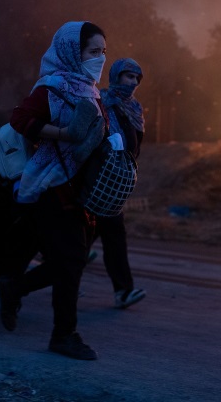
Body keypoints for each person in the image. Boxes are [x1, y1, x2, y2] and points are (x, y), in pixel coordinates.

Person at [0, 21, 107, 361]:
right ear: (73, 52)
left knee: (69, 261)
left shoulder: (91, 91)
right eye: (93, 51)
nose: (100, 58)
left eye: (103, 51)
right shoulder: (53, 86)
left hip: (82, 188)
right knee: (71, 260)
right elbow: (19, 119)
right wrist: (64, 134)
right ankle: (64, 334)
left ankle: (14, 288)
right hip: (51, 183)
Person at [97, 58, 147, 309]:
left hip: (116, 181)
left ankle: (123, 291)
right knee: (109, 236)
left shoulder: (135, 108)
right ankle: (20, 284)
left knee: (110, 236)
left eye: (137, 78)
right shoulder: (101, 102)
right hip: (97, 178)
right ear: (116, 76)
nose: (133, 82)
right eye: (129, 76)